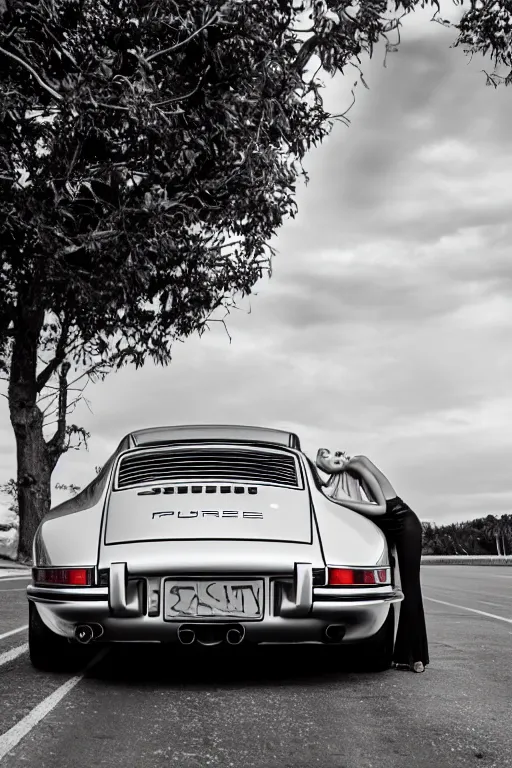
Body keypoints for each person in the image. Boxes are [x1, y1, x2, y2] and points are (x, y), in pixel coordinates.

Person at [315, 449, 429, 673]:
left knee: (411, 589)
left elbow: (382, 507)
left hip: (404, 523)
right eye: (327, 466)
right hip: (388, 526)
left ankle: (416, 657)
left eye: (333, 459)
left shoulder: (358, 462)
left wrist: (341, 501)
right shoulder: (347, 472)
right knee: (394, 591)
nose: (337, 462)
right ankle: (401, 655)